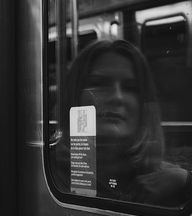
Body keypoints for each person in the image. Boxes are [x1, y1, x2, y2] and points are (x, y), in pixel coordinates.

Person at [54, 39, 191, 207]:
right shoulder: (46, 174)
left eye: (130, 88)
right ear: (74, 97)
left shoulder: (171, 183)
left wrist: (186, 182)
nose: (117, 97)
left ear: (144, 106)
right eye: (99, 84)